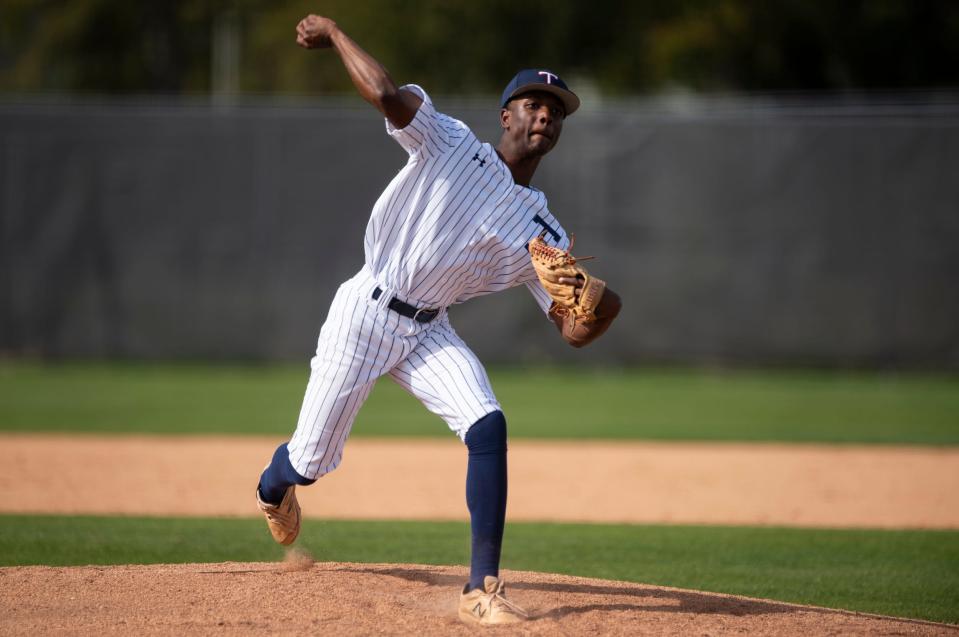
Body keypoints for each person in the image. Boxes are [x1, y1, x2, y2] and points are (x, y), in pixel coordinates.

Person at [255, 13, 622, 625]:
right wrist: (339, 34)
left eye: (556, 112)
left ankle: (481, 589)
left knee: (487, 424)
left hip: (428, 330)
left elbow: (573, 331)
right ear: (505, 115)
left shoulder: (544, 230)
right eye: (535, 104)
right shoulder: (449, 142)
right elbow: (383, 94)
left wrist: (601, 304)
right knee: (311, 462)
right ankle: (273, 485)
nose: (546, 117)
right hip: (365, 312)